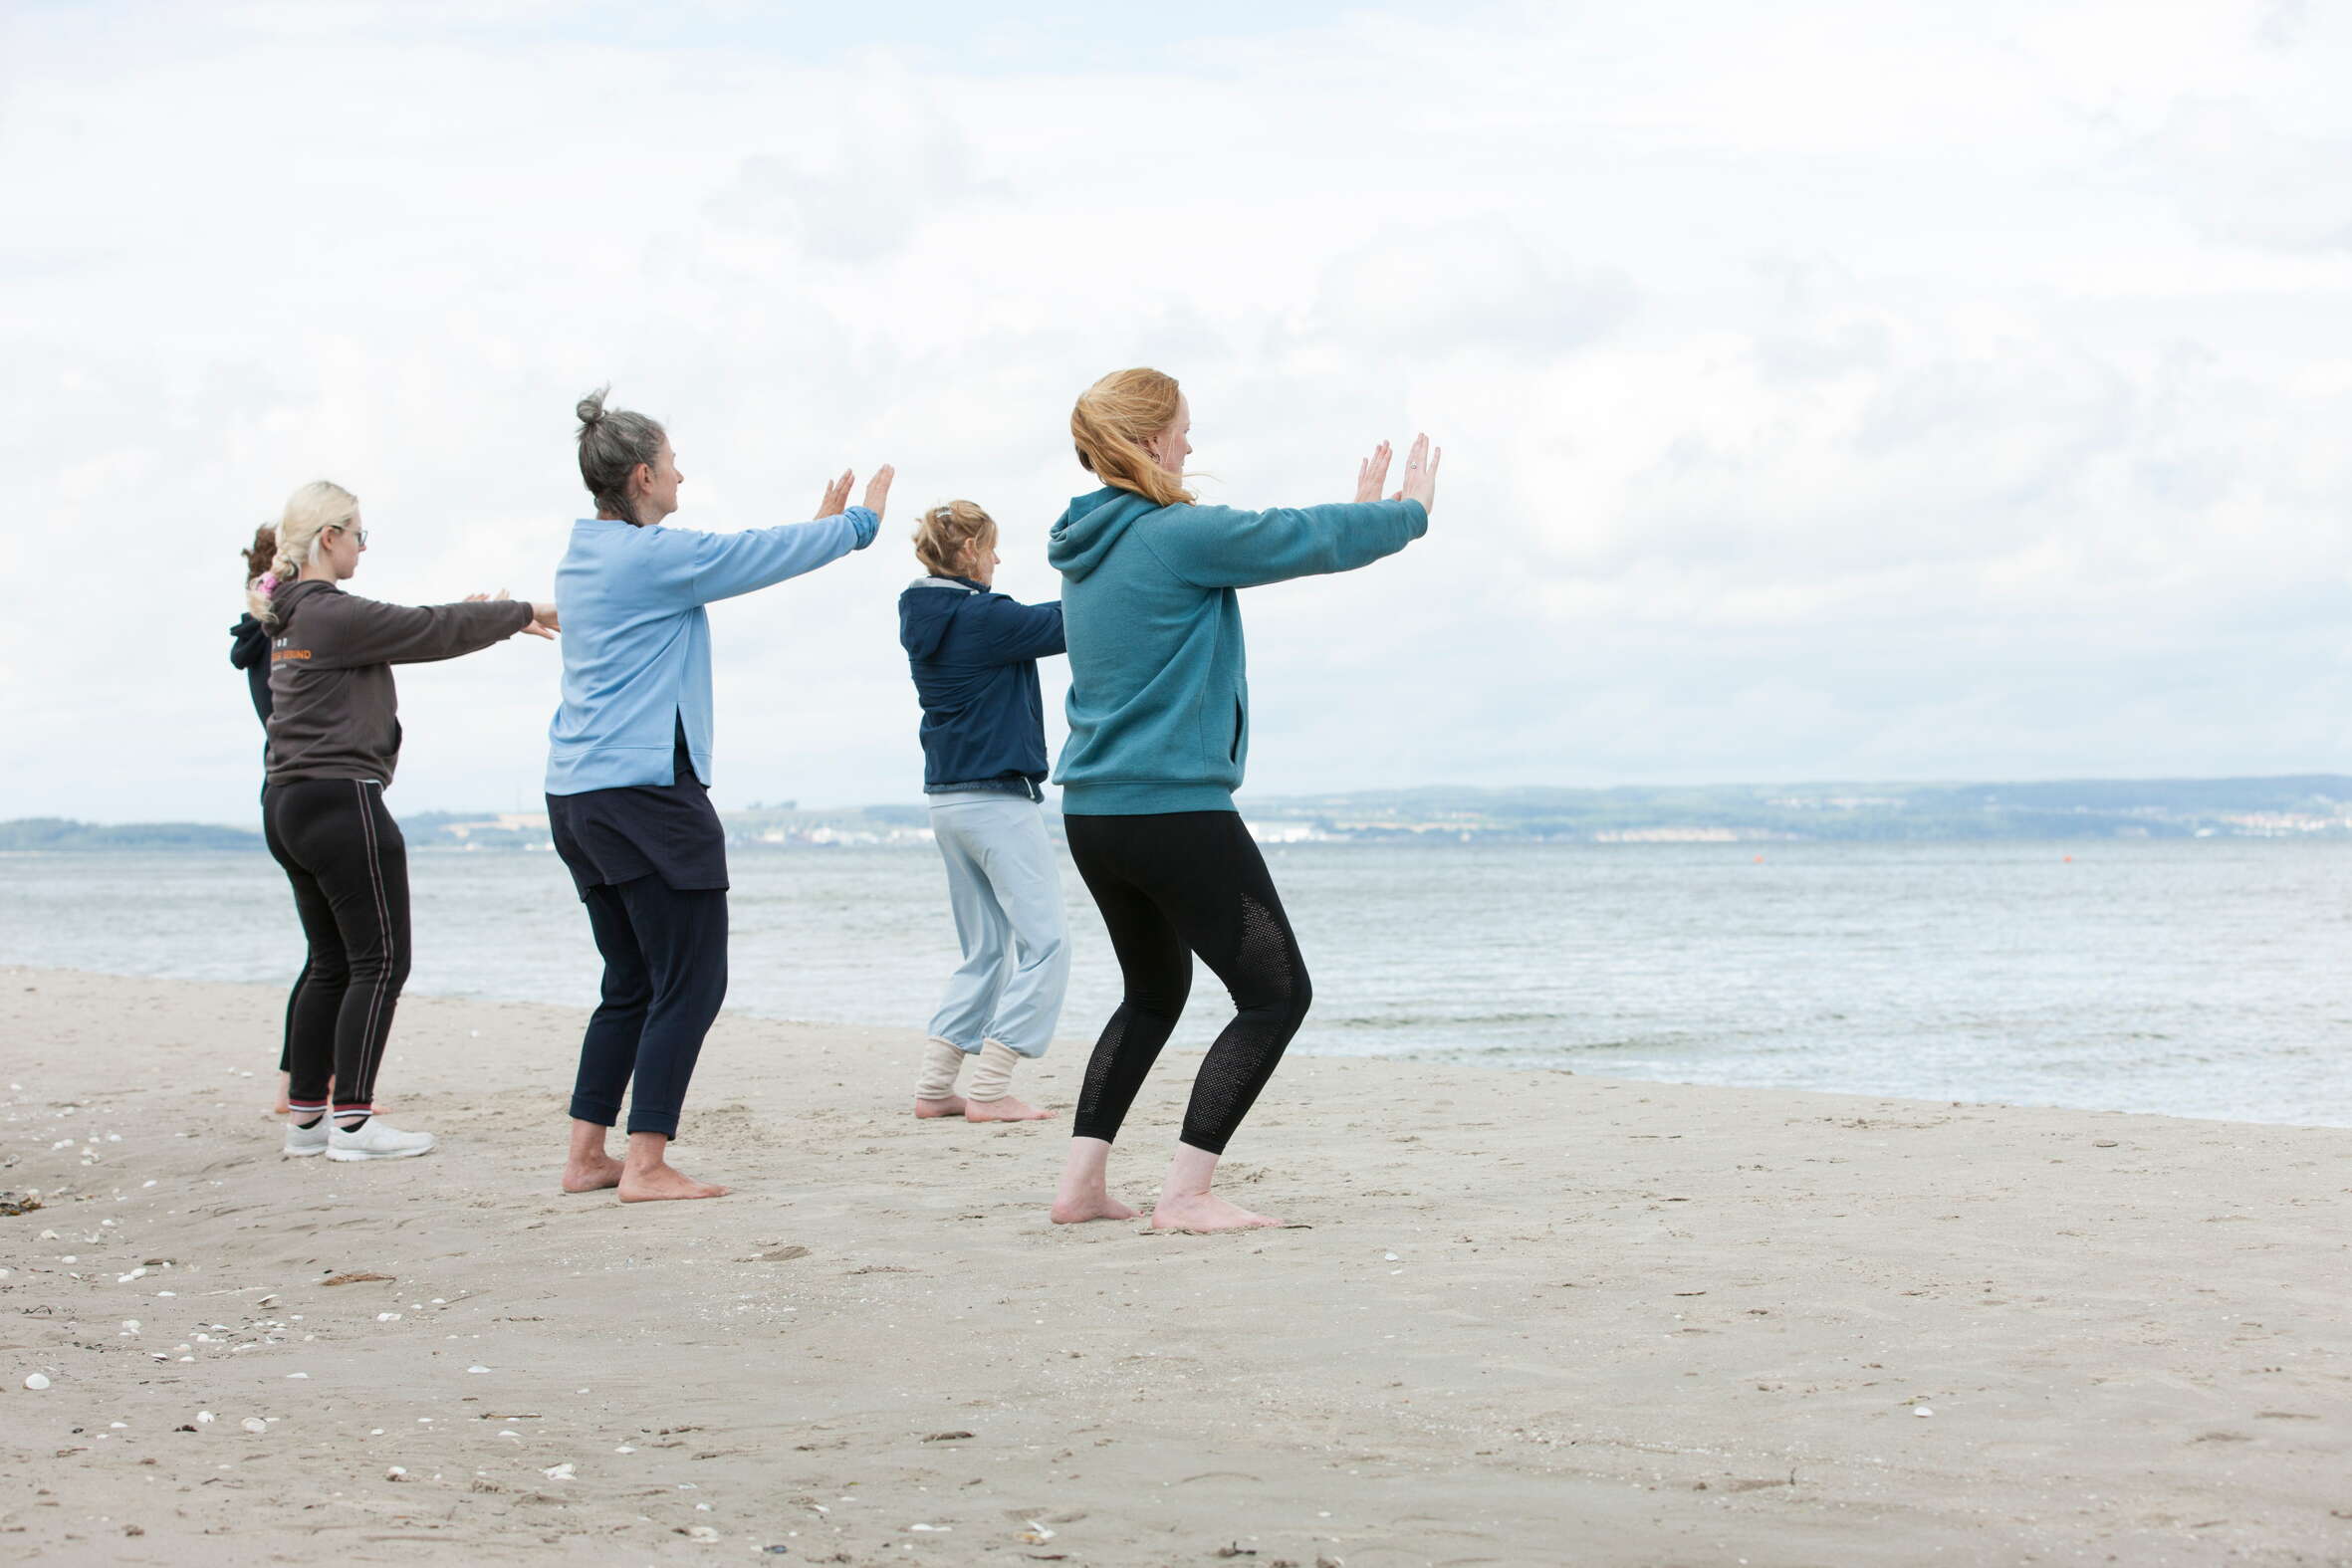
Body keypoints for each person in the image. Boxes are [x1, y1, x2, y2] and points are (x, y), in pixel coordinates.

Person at [1045, 368, 1440, 1232]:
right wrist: (1402, 514)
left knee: (1152, 992)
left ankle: (1081, 1188)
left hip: (1093, 813)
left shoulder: (1087, 546)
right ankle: (1184, 1194)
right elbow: (1293, 537)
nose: (1192, 443)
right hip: (1171, 811)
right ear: (1150, 440)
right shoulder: (1169, 534)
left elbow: (1290, 534)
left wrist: (1359, 513)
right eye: (1183, 428)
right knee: (1275, 995)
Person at [547, 387, 892, 1204]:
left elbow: (743, 554)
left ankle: (586, 1154)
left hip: (577, 798)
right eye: (671, 464)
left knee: (629, 980)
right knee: (692, 982)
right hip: (645, 799)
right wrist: (854, 529)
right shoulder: (651, 557)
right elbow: (748, 556)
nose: (681, 475)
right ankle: (646, 1162)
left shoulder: (586, 555)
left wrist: (812, 531)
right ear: (641, 477)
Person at [258, 480, 558, 1161]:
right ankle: (355, 1124)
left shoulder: (288, 615)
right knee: (381, 960)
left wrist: (482, 615)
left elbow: (425, 623)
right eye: (359, 533)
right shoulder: (328, 611)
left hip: (288, 803)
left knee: (331, 961)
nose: (364, 545)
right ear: (328, 538)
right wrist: (518, 613)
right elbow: (428, 629)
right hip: (340, 801)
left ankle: (307, 1123)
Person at [898, 500, 1069, 1123]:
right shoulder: (983, 617)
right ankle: (992, 1089)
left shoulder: (923, 614)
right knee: (1047, 943)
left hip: (947, 800)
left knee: (985, 948)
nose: (999, 559)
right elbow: (1073, 620)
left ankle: (936, 1087)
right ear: (968, 550)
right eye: (992, 546)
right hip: (996, 801)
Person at [233, 525, 308, 1118]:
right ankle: (314, 1089)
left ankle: (296, 1087)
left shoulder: (264, 637)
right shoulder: (290, 635)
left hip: (276, 793)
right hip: (309, 791)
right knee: (340, 958)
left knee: (325, 954)